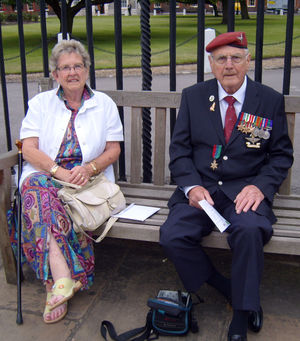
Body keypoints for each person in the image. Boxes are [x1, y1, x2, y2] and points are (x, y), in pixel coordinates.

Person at [160, 31, 293, 341]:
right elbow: (179, 151)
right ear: (211, 64)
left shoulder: (269, 99)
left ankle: (242, 314)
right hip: (203, 190)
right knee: (172, 235)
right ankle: (226, 286)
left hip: (246, 190)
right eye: (221, 59)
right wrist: (191, 187)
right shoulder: (194, 96)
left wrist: (260, 187)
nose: (229, 65)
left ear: (248, 61)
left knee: (249, 230)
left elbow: (281, 155)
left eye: (236, 57)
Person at [14, 39, 124, 324]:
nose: (72, 72)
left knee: (40, 202)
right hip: (48, 175)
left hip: (87, 182)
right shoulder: (40, 104)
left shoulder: (105, 104)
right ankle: (64, 277)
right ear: (56, 75)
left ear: (87, 70)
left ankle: (55, 285)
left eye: (78, 66)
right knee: (38, 190)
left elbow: (114, 149)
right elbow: (28, 149)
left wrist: (89, 168)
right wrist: (57, 172)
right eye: (65, 68)